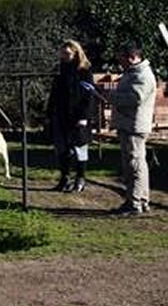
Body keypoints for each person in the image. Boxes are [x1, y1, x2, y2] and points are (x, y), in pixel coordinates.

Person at [108, 43, 157, 216]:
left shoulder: (143, 75)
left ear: (132, 57)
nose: (120, 61)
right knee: (136, 164)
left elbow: (135, 98)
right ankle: (140, 200)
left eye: (122, 57)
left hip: (134, 126)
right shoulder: (133, 73)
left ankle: (134, 202)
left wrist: (111, 96)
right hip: (128, 124)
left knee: (134, 165)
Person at [46, 40, 96, 193]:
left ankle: (80, 178)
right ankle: (65, 178)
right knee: (62, 149)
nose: (64, 56)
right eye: (63, 53)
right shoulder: (60, 70)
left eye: (67, 54)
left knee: (80, 148)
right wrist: (49, 112)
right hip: (61, 115)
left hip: (78, 116)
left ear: (75, 53)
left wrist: (84, 117)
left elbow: (89, 96)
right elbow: (54, 93)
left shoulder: (84, 70)